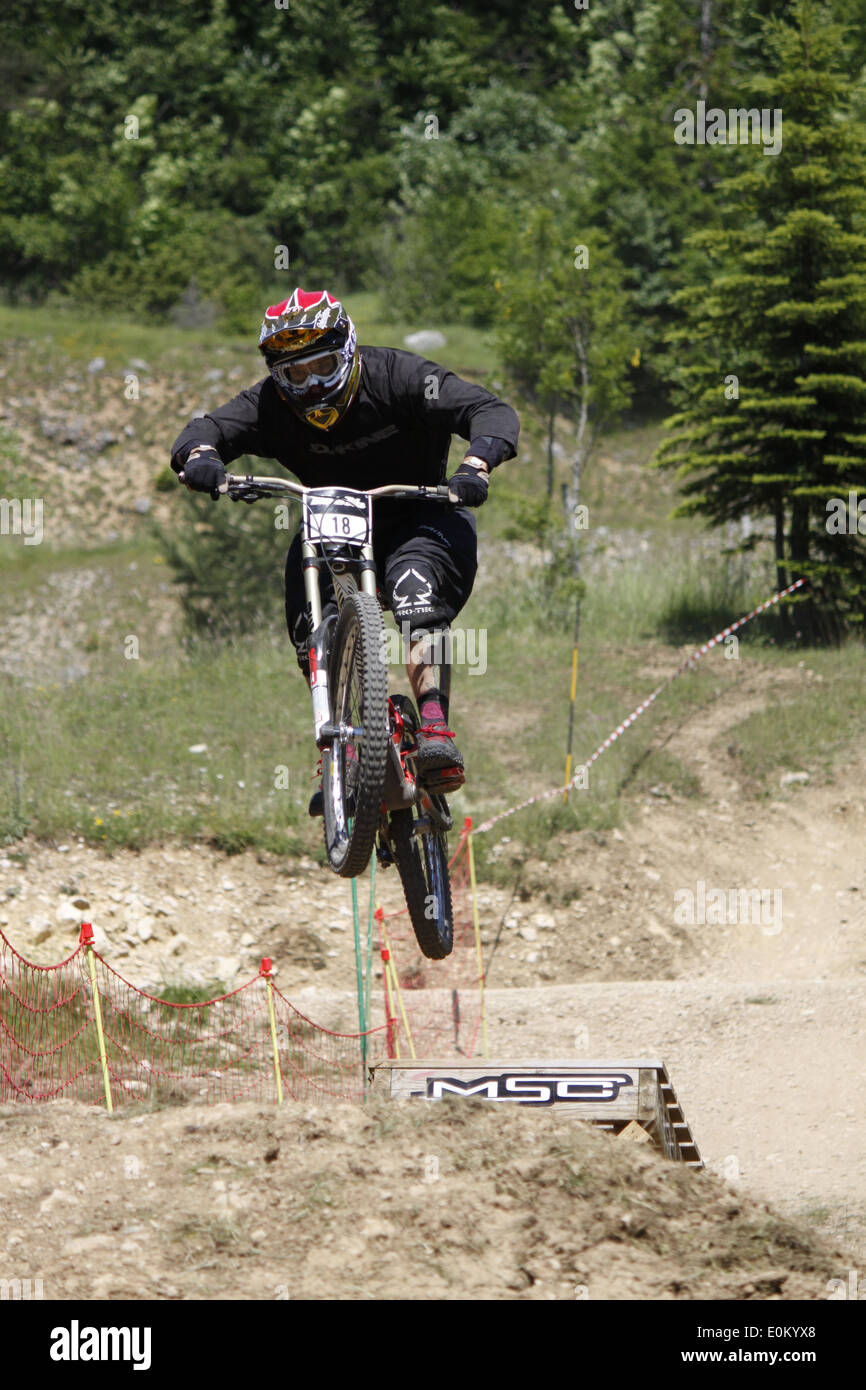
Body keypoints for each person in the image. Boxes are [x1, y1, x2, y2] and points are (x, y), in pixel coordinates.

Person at [170, 287, 519, 814]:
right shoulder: (268, 404)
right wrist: (201, 458)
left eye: (323, 365)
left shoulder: (400, 377)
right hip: (330, 527)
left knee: (415, 597)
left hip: (422, 515)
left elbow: (487, 409)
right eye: (294, 374)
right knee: (308, 626)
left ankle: (434, 728)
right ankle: (338, 750)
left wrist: (475, 467)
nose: (309, 384)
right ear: (277, 376)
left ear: (350, 350)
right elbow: (205, 430)